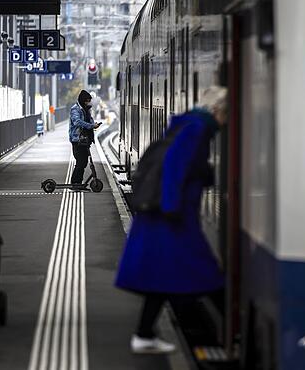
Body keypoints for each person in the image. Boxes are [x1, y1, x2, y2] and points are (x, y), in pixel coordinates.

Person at [115, 86, 228, 354]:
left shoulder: (190, 125)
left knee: (163, 276)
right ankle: (235, 331)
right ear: (215, 110)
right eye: (225, 114)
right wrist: (171, 207)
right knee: (206, 272)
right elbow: (176, 166)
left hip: (169, 216)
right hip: (174, 218)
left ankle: (144, 335)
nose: (226, 120)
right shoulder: (197, 130)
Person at [69, 90, 102, 185]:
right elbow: (77, 122)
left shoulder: (86, 109)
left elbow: (89, 120)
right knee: (81, 161)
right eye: (87, 100)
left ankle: (78, 182)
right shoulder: (75, 109)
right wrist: (91, 126)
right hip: (77, 140)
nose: (89, 102)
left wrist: (93, 124)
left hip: (84, 140)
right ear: (83, 100)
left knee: (83, 162)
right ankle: (75, 182)